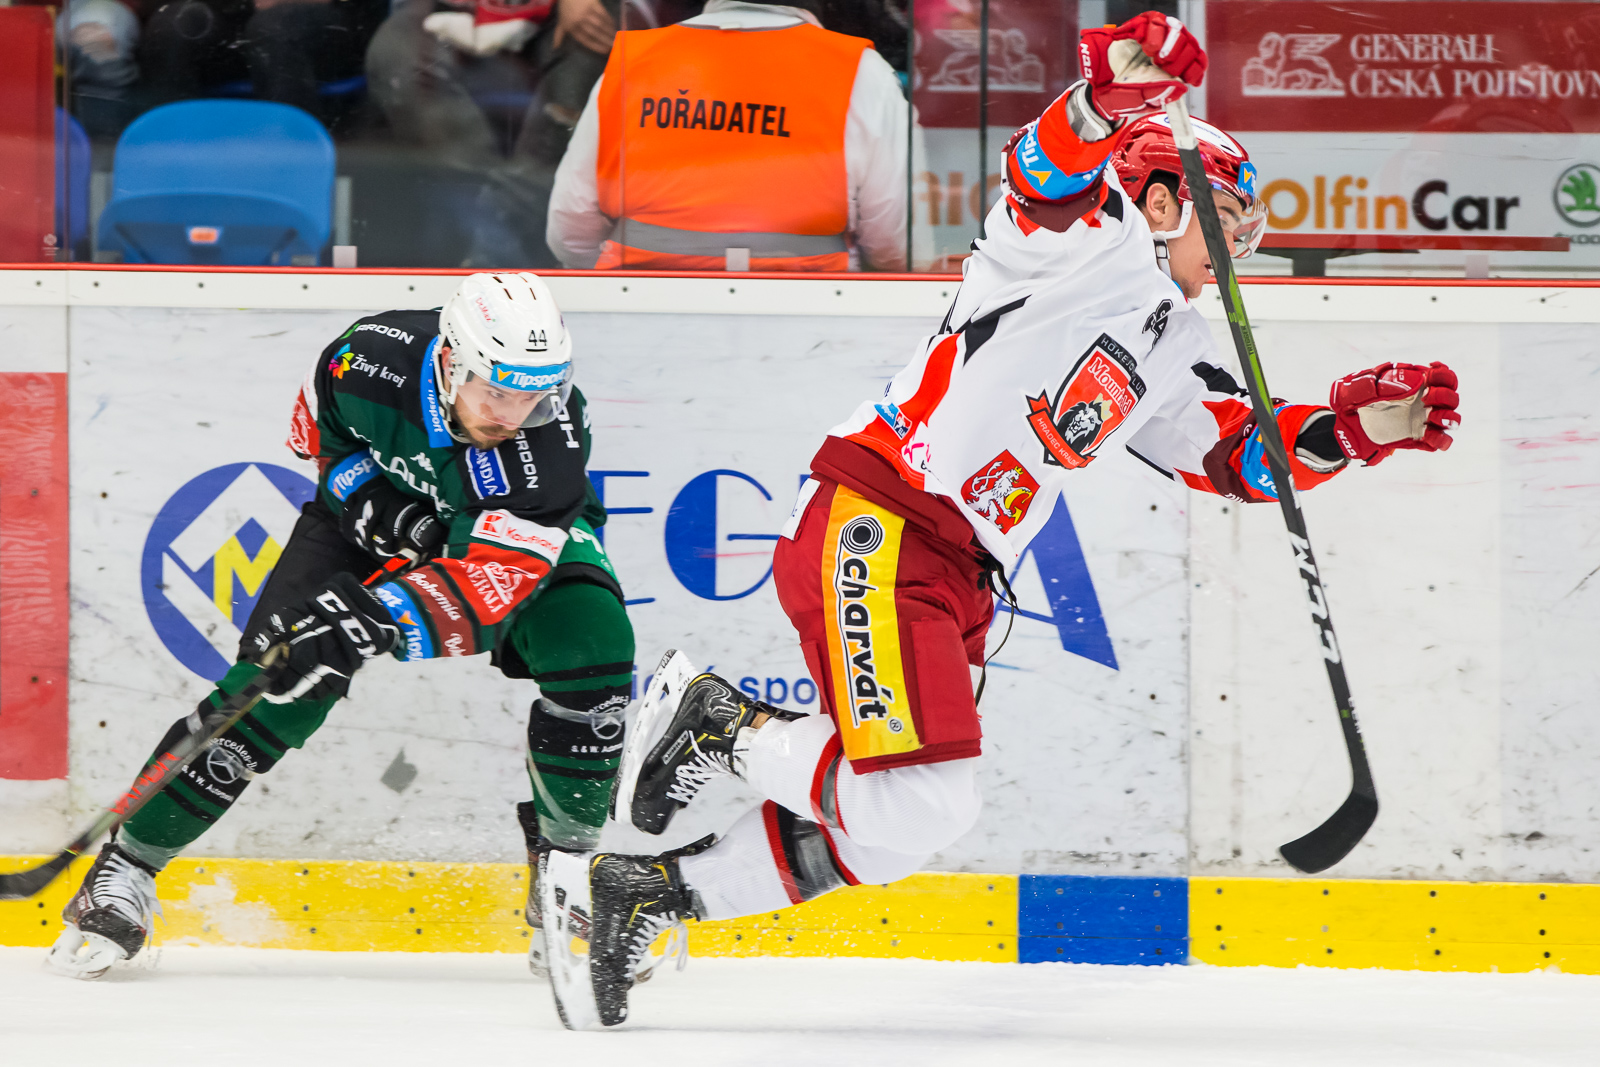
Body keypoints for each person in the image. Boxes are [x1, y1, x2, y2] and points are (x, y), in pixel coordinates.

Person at [534, 11, 1462, 1028]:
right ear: (1163, 199)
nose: (1242, 247)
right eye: (1229, 219)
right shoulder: (1081, 243)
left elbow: (1233, 454)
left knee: (893, 830)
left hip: (956, 566)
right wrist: (1108, 97)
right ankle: (718, 720)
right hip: (881, 516)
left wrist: (1355, 427)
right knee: (924, 800)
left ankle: (653, 892)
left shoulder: (1175, 339)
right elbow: (1043, 172)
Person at [48, 273, 635, 980]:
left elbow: (491, 583)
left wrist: (378, 617)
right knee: (277, 683)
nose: (513, 414)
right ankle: (127, 866)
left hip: (489, 541)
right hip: (368, 525)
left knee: (591, 639)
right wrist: (381, 512)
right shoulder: (365, 358)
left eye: (534, 395)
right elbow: (325, 446)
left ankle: (567, 878)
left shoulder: (549, 446)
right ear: (452, 361)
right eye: (496, 392)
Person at [546, 0, 931, 271]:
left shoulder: (633, 64)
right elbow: (897, 247)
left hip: (634, 316)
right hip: (811, 320)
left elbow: (570, 230)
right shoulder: (862, 73)